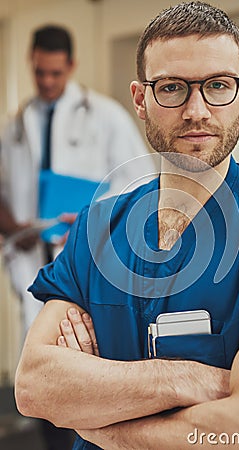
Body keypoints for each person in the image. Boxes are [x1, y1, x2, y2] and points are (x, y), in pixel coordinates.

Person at [15, 2, 239, 450]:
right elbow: (34, 387)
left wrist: (99, 424)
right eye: (172, 88)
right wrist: (186, 378)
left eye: (218, 85)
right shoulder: (96, 229)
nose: (196, 110)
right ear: (141, 99)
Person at [0, 24, 154, 335]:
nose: (46, 81)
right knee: (34, 345)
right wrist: (14, 228)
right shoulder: (14, 127)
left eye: (55, 74)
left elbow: (142, 183)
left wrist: (91, 220)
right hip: (30, 256)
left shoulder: (106, 116)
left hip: (88, 254)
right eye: (40, 72)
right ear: (31, 60)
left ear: (71, 65)